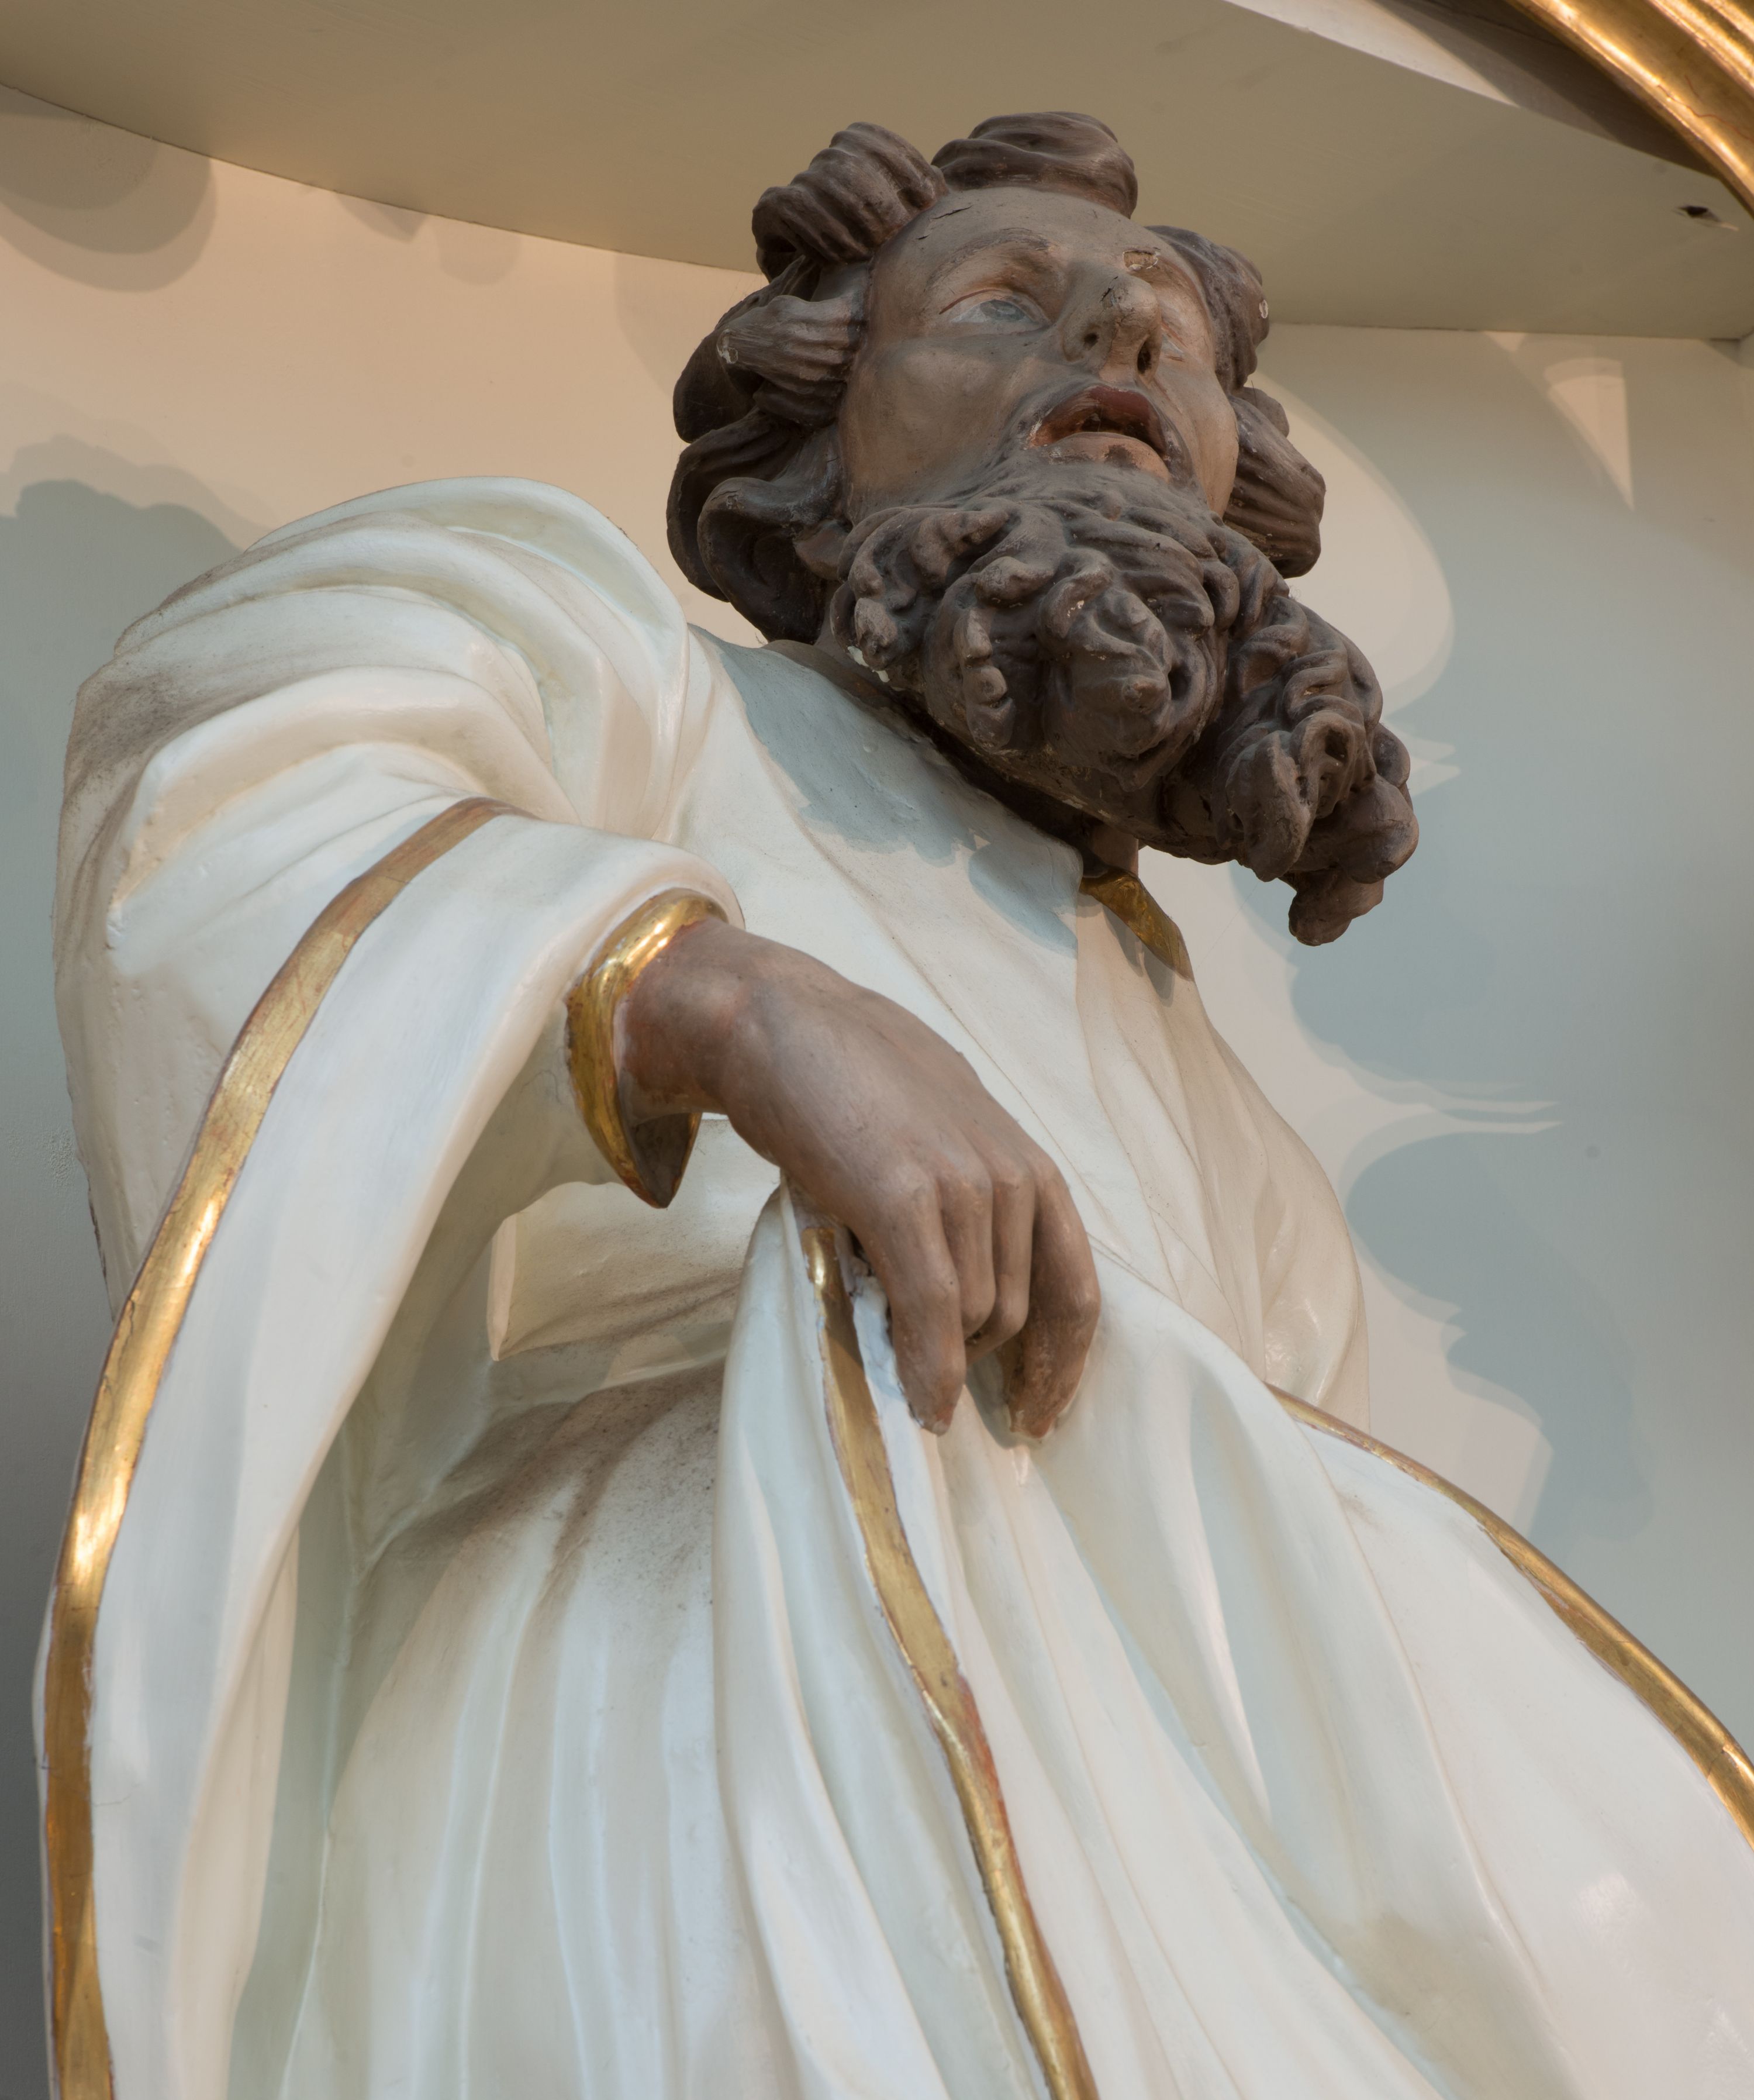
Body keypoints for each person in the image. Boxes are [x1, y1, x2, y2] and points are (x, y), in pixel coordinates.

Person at [43, 112, 1754, 2100]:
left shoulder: (1239, 1139)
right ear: (813, 436)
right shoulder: (632, 684)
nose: (1114, 348)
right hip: (704, 1710)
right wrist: (720, 998)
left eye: (1168, 339)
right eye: (1004, 305)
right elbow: (226, 810)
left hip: (1176, 1853)